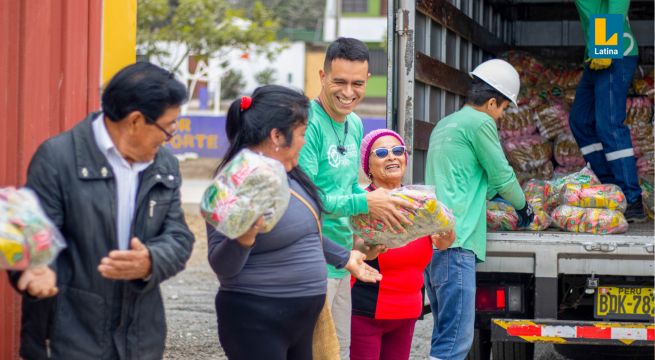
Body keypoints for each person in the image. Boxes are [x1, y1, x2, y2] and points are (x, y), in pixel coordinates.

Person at [9, 62, 195, 359]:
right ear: (135, 121)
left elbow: (179, 236)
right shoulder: (58, 158)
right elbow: (36, 237)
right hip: (70, 336)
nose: (169, 135)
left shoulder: (164, 166)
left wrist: (150, 260)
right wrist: (37, 269)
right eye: (168, 126)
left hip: (139, 338)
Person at [206, 85, 382, 360]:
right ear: (277, 135)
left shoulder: (291, 175)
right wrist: (243, 238)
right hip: (257, 317)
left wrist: (344, 257)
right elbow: (222, 265)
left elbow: (305, 232)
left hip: (302, 319)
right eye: (301, 133)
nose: (305, 140)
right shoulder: (236, 184)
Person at [298, 37, 415, 359]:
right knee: (315, 351)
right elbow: (308, 199)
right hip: (311, 261)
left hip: (343, 260)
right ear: (321, 76)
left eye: (357, 83)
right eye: (339, 81)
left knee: (338, 351)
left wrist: (371, 231)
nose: (348, 92)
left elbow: (349, 187)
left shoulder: (355, 123)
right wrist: (367, 202)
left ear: (368, 82)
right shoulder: (308, 124)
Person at [424, 59, 533, 360]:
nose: (500, 117)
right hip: (456, 244)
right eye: (502, 110)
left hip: (433, 243)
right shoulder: (481, 122)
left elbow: (470, 180)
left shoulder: (446, 124)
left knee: (444, 334)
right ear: (492, 102)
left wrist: (499, 194)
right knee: (455, 342)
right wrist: (524, 208)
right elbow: (501, 174)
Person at [350, 129, 455, 360]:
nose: (392, 157)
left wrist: (446, 233)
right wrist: (369, 246)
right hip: (367, 311)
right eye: (381, 152)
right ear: (368, 165)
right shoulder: (362, 201)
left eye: (397, 151)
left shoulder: (419, 200)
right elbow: (354, 249)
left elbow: (444, 242)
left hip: (407, 311)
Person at [570, 0, 645, 222]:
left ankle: (632, 199)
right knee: (580, 120)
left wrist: (605, 47)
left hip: (614, 51)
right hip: (595, 54)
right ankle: (609, 186)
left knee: (609, 125)